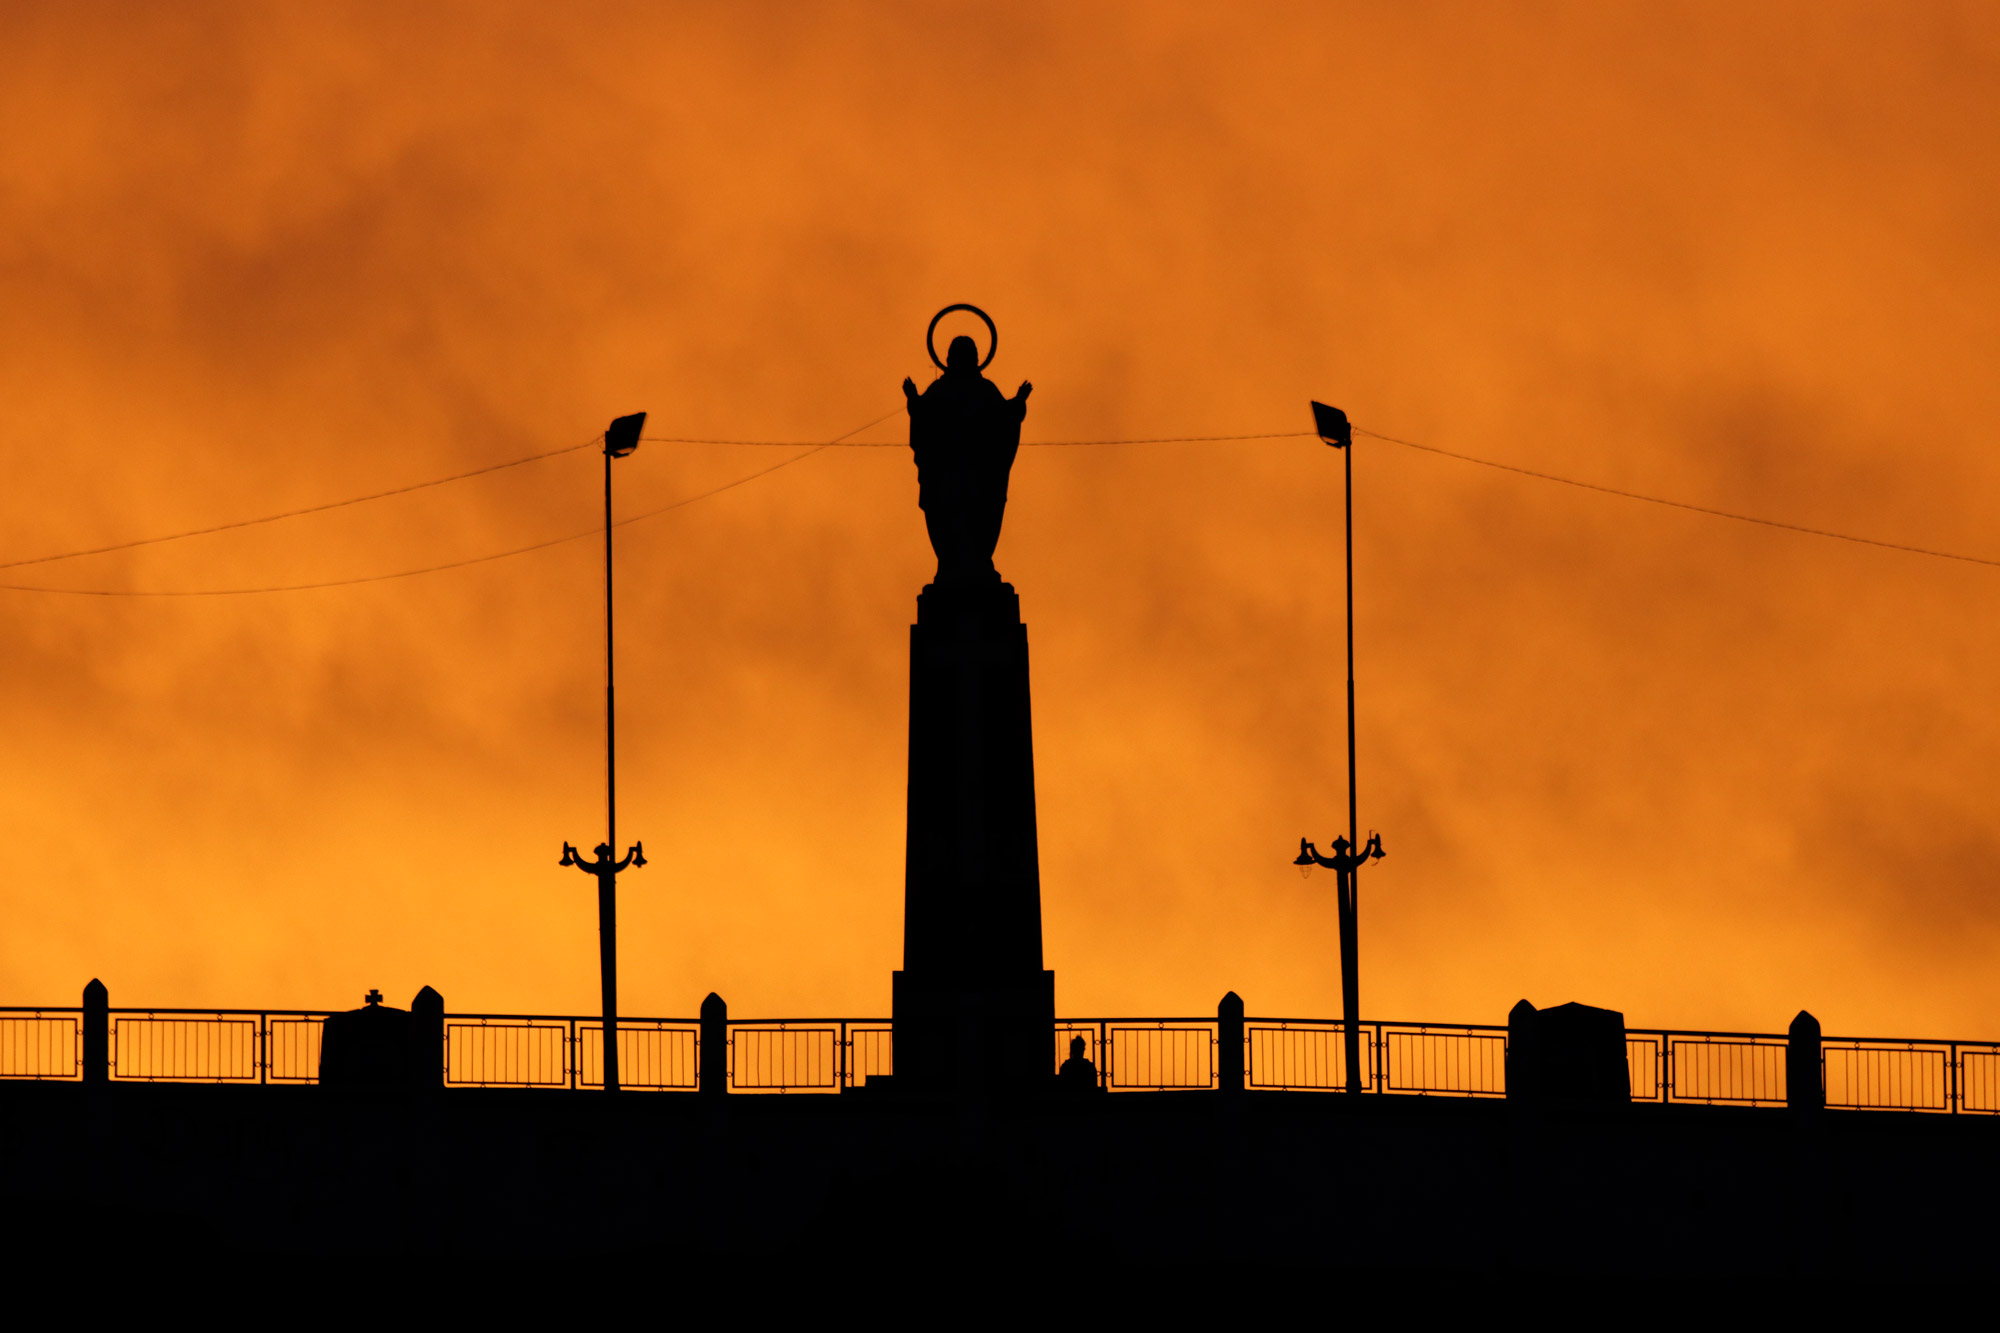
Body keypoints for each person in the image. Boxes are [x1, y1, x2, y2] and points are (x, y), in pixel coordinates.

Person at [903, 334, 1032, 584]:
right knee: (949, 516)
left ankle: (979, 563)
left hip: (980, 473)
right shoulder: (942, 389)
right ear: (950, 359)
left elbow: (1004, 417)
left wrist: (1018, 402)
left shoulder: (984, 390)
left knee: (979, 517)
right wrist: (913, 398)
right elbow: (924, 416)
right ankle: (951, 564)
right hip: (946, 472)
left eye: (966, 356)